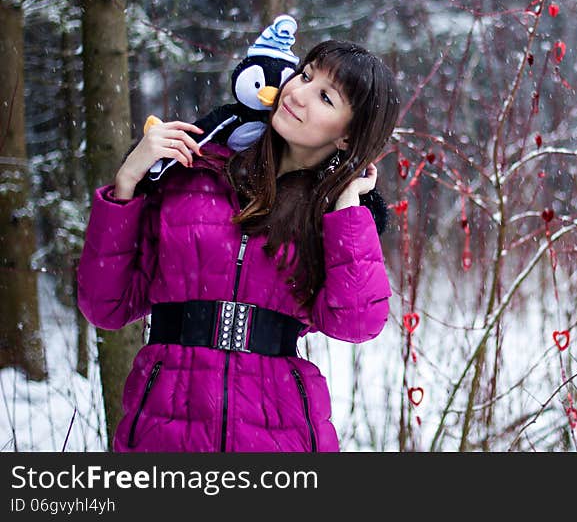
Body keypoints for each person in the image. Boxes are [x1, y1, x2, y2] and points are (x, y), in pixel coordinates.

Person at [77, 40, 400, 452]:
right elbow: (106, 305)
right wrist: (127, 186)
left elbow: (356, 324)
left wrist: (348, 205)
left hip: (279, 434)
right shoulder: (192, 172)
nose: (297, 93)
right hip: (165, 429)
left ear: (346, 137)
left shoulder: (331, 219)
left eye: (324, 96)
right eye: (304, 74)